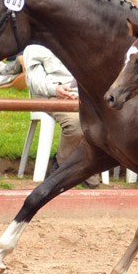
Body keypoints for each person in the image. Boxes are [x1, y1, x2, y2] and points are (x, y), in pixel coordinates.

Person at [23, 45, 101, 189]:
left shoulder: (80, 38)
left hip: (87, 96)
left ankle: (87, 164)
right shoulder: (35, 47)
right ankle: (62, 167)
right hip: (52, 96)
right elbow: (34, 81)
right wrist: (56, 89)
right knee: (77, 125)